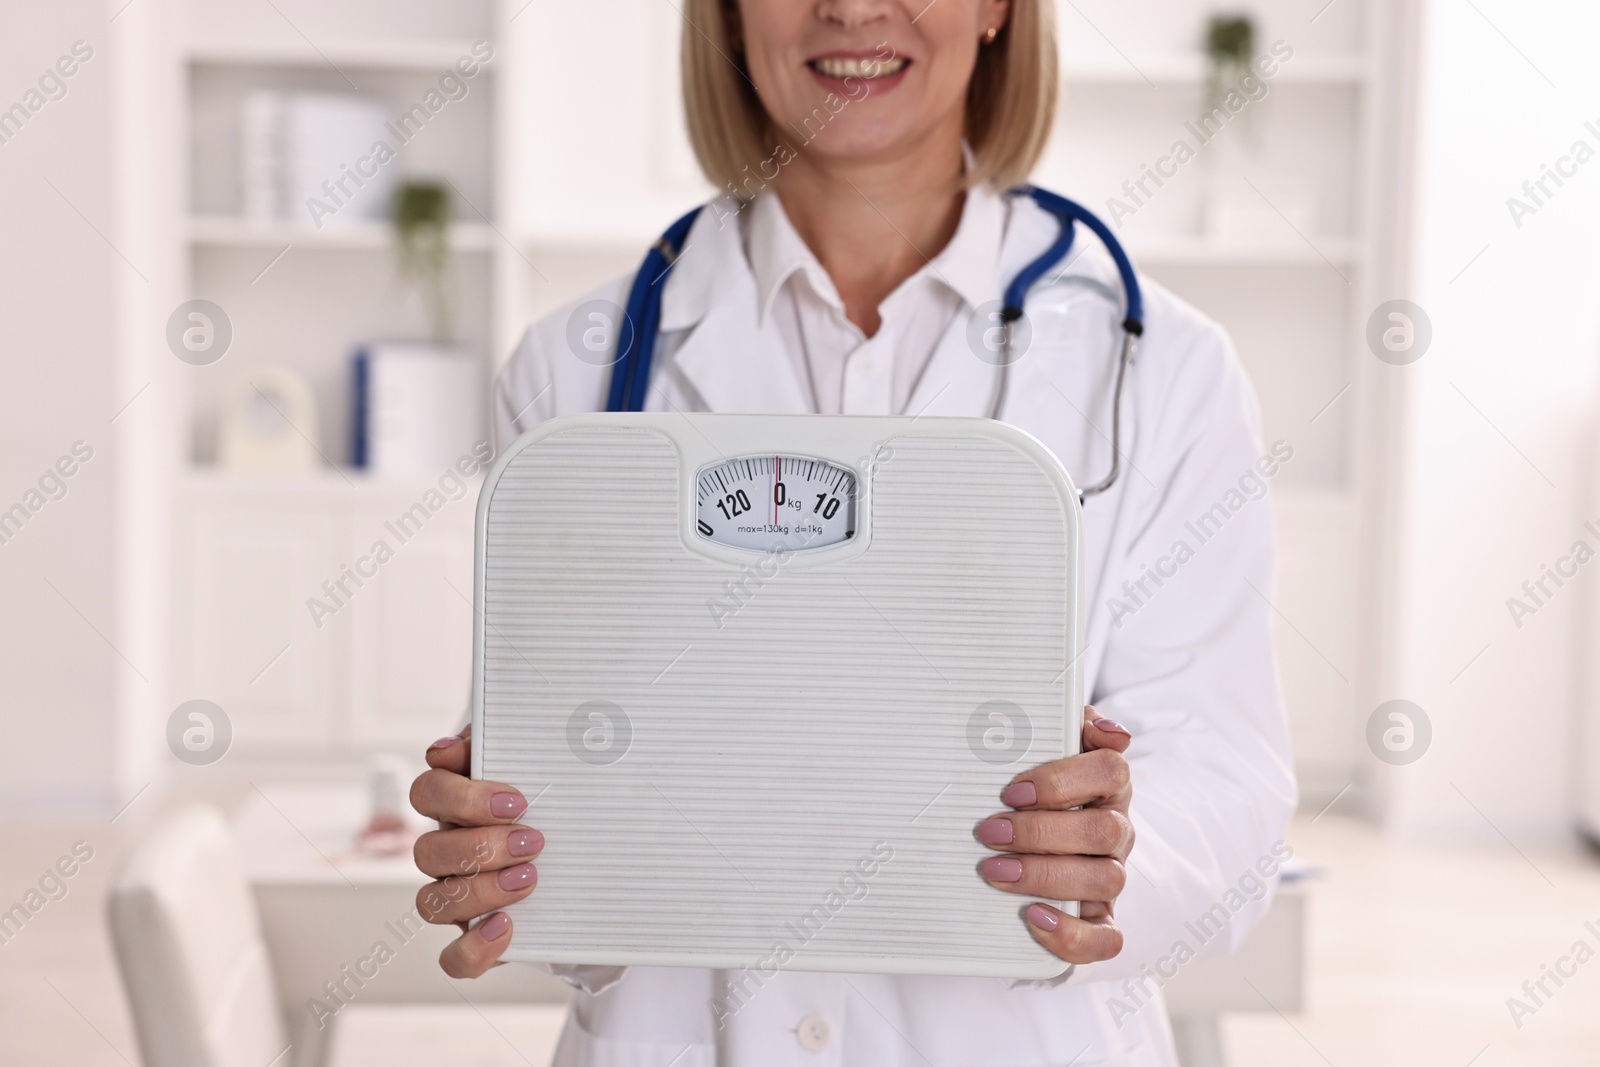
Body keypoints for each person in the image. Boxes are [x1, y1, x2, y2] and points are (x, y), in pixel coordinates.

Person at [410, 1, 1296, 1063]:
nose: (852, 6)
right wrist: (504, 849)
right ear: (731, 16)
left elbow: (1228, 792)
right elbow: (556, 808)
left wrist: (1110, 859)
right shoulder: (576, 372)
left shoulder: (1166, 371)